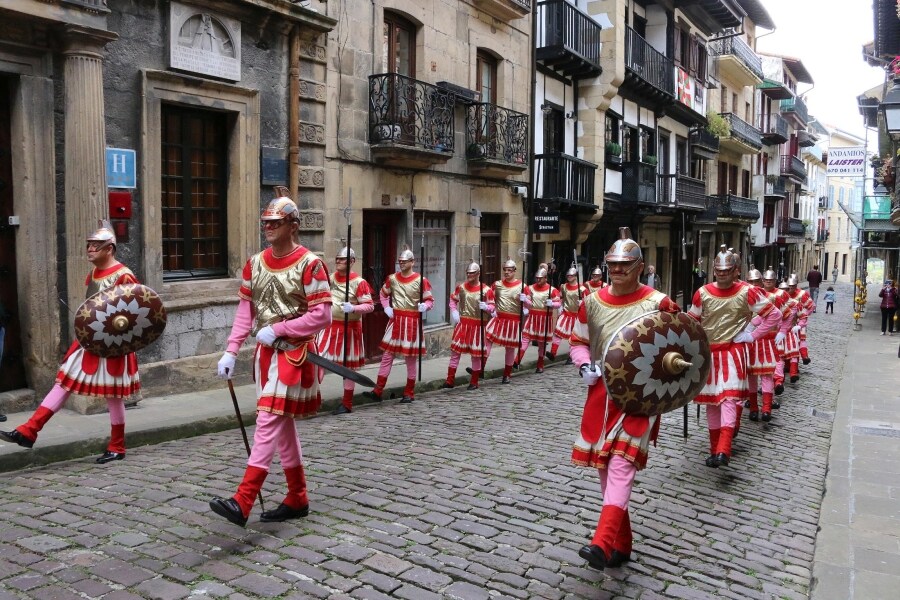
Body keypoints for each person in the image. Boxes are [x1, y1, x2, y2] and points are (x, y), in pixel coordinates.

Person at [210, 193, 332, 527]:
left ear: (293, 226)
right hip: (266, 356)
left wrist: (280, 327)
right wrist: (231, 349)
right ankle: (297, 496)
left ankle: (244, 499)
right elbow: (245, 311)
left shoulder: (310, 263)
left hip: (295, 355)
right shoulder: (255, 263)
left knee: (267, 420)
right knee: (282, 427)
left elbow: (322, 316)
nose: (268, 228)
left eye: (275, 223)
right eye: (266, 223)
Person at [570, 227, 681, 572]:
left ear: (640, 266)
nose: (617, 270)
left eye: (625, 265)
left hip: (642, 396)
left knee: (621, 466)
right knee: (606, 471)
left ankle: (601, 544)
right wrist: (582, 364)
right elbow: (578, 342)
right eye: (613, 264)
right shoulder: (592, 301)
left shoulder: (658, 303)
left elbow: (681, 343)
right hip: (602, 394)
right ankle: (622, 545)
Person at [0, 221, 141, 462]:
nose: (89, 249)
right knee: (64, 382)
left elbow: (134, 314)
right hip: (89, 340)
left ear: (110, 249)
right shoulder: (95, 273)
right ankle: (29, 430)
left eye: (96, 246)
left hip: (113, 344)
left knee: (113, 395)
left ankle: (117, 446)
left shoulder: (124, 275)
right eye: (89, 245)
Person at [687, 246, 781, 468]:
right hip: (709, 352)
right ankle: (714, 450)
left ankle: (724, 449)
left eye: (727, 270)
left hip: (733, 351)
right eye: (719, 270)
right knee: (712, 401)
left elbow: (774, 315)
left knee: (729, 398)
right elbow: (692, 321)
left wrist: (751, 335)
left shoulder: (747, 292)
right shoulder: (702, 293)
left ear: (736, 270)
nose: (722, 274)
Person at [366, 248, 433, 403]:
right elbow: (383, 294)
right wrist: (386, 307)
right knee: (387, 356)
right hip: (396, 321)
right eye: (400, 261)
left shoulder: (421, 280)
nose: (402, 264)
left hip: (411, 321)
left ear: (412, 262)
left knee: (410, 358)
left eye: (405, 261)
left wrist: (426, 306)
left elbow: (430, 299)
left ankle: (409, 392)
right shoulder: (393, 279)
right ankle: (378, 391)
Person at [316, 247, 374, 415]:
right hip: (329, 327)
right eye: (337, 259)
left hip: (350, 329)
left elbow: (369, 305)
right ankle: (313, 400)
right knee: (318, 361)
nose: (338, 262)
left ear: (351, 262)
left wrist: (354, 308)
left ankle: (347, 403)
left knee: (348, 368)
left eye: (342, 259)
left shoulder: (359, 282)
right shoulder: (331, 278)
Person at [744, 268, 790, 422]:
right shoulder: (742, 296)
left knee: (767, 374)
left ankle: (767, 408)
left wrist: (783, 331)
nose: (753, 284)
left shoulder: (773, 297)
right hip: (749, 342)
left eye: (756, 281)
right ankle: (754, 408)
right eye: (750, 281)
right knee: (751, 375)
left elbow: (788, 314)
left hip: (768, 341)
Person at [444, 262, 490, 390]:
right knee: (455, 352)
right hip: (463, 324)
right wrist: (453, 311)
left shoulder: (486, 290)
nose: (469, 275)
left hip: (477, 326)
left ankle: (474, 381)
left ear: (478, 274)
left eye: (472, 273)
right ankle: (450, 380)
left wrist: (486, 307)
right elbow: (453, 299)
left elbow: (493, 307)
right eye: (468, 273)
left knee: (475, 355)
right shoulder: (462, 287)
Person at [483, 258, 529, 384]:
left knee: (509, 348)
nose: (507, 272)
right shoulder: (497, 284)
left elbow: (530, 305)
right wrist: (490, 309)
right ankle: (480, 367)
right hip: (498, 318)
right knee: (487, 338)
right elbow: (489, 297)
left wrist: (525, 301)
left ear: (514, 271)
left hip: (513, 320)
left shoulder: (522, 286)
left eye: (509, 270)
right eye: (505, 270)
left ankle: (507, 374)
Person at [515, 267, 560, 373]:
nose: (538, 280)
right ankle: (517, 360)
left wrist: (552, 304)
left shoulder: (552, 290)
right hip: (532, 317)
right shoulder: (530, 288)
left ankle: (540, 364)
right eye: (537, 278)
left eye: (540, 278)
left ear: (545, 278)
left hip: (545, 318)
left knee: (541, 343)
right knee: (525, 338)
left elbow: (558, 304)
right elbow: (528, 302)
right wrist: (524, 300)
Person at [548, 267, 582, 364]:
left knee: (574, 337)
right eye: (568, 275)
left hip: (577, 316)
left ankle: (571, 356)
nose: (569, 277)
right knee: (558, 332)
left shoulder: (582, 288)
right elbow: (560, 298)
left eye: (571, 275)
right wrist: (553, 302)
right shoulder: (563, 286)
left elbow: (589, 302)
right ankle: (553, 353)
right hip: (566, 313)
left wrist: (582, 303)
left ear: (575, 276)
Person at [786, 274, 814, 366]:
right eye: (789, 286)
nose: (790, 289)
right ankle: (787, 364)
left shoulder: (802, 294)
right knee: (786, 343)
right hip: (786, 322)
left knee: (800, 339)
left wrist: (803, 316)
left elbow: (811, 306)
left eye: (792, 286)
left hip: (799, 321)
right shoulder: (783, 293)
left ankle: (804, 357)